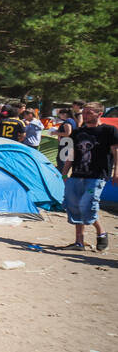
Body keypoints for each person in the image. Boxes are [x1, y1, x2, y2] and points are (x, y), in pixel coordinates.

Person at [60, 102, 118, 251]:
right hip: (77, 174)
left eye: (89, 113)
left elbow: (115, 152)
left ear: (99, 114)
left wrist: (116, 171)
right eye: (84, 112)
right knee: (74, 206)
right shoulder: (77, 132)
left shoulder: (109, 130)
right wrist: (64, 172)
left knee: (87, 205)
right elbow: (71, 154)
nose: (85, 115)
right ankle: (79, 242)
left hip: (97, 176)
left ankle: (101, 232)